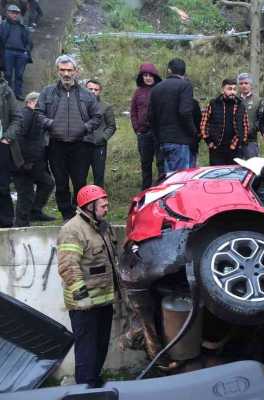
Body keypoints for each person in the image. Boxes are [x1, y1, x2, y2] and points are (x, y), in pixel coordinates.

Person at [57, 184, 117, 388]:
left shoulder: (102, 227)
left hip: (103, 300)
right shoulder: (72, 230)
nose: (106, 209)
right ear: (89, 206)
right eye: (103, 206)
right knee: (87, 351)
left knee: (100, 346)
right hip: (85, 306)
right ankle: (84, 390)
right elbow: (68, 268)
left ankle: (95, 383)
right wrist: (83, 300)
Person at [36, 54, 102, 220]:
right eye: (62, 70)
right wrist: (51, 124)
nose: (66, 74)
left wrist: (84, 128)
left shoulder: (87, 94)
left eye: (69, 70)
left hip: (80, 145)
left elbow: (97, 116)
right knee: (61, 182)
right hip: (56, 144)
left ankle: (79, 213)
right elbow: (38, 113)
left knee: (80, 182)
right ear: (58, 71)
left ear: (76, 72)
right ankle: (66, 213)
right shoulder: (47, 92)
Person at [148, 58, 197, 173]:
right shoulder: (185, 86)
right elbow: (185, 112)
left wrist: (157, 136)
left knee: (169, 181)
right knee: (180, 180)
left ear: (169, 70)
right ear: (184, 72)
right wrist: (194, 132)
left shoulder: (156, 88)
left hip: (163, 140)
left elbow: (150, 116)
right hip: (181, 141)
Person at [13, 92, 55, 226]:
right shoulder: (26, 115)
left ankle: (34, 212)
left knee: (47, 183)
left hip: (34, 163)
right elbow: (19, 138)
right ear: (31, 102)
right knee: (26, 193)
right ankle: (21, 223)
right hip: (24, 163)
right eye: (40, 101)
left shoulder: (35, 115)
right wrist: (24, 161)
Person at [200, 78, 248, 165]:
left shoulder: (240, 105)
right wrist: (209, 141)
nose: (232, 92)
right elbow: (204, 123)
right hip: (216, 147)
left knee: (234, 176)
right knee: (217, 174)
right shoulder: (213, 103)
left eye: (234, 89)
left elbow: (245, 126)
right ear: (223, 90)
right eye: (229, 89)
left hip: (235, 148)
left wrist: (241, 142)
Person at [130, 63, 162, 190]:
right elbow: (133, 111)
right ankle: (145, 190)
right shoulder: (138, 92)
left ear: (155, 76)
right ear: (141, 77)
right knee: (145, 163)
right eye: (145, 75)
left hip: (158, 132)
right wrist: (136, 128)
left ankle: (161, 189)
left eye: (150, 75)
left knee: (161, 163)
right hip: (143, 133)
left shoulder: (160, 89)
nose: (148, 78)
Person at [0, 72, 21, 228]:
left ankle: (6, 223)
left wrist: (7, 137)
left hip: (2, 145)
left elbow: (17, 117)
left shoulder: (5, 90)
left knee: (2, 186)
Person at [85, 80, 116, 188]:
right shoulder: (79, 105)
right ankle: (79, 200)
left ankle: (99, 200)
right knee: (79, 175)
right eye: (90, 89)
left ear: (100, 91)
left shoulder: (106, 106)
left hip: (99, 146)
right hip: (82, 145)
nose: (93, 91)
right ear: (85, 89)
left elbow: (112, 126)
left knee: (98, 175)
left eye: (96, 89)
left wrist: (103, 138)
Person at [0, 4, 32, 100]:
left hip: (21, 53)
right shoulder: (3, 26)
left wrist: (26, 52)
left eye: (16, 13)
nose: (14, 15)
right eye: (12, 13)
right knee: (8, 74)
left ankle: (18, 93)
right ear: (8, 13)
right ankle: (8, 95)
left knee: (19, 75)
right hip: (7, 52)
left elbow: (29, 41)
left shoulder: (23, 27)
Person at [238, 72, 264, 159]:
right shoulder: (235, 100)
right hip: (235, 141)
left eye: (246, 83)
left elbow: (261, 119)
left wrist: (252, 129)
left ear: (251, 85)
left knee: (252, 167)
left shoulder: (258, 100)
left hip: (251, 140)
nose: (244, 85)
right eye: (241, 83)